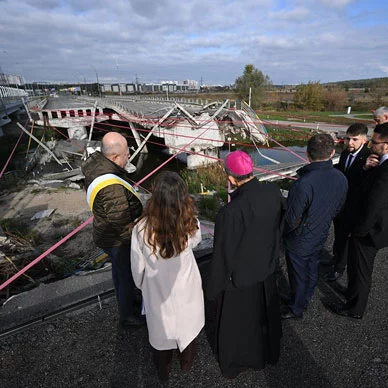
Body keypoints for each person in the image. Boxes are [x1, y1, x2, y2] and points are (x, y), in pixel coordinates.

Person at [206, 150, 283, 379]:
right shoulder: (273, 191)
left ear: (230, 179)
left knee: (239, 325)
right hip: (266, 268)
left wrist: (213, 288)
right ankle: (266, 354)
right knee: (263, 318)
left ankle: (239, 362)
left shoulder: (230, 212)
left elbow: (223, 254)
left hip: (239, 279)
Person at [131, 171, 204, 381]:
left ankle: (163, 370)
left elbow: (137, 264)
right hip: (186, 283)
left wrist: (141, 285)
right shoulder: (190, 222)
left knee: (161, 333)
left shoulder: (141, 228)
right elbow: (196, 241)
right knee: (188, 327)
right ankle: (186, 363)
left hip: (157, 286)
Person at [282, 134, 348, 319]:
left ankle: (296, 307)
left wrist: (287, 233)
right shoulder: (341, 177)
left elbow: (292, 219)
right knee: (312, 269)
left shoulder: (303, 183)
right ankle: (304, 299)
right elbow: (339, 206)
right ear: (332, 152)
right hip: (321, 231)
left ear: (307, 153)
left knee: (298, 274)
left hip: (300, 238)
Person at [82, 132, 144, 327]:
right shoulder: (111, 187)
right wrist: (135, 242)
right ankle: (128, 315)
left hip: (105, 232)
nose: (128, 158)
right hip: (117, 239)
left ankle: (128, 301)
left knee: (119, 273)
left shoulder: (97, 166)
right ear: (115, 157)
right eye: (127, 154)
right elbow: (119, 220)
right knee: (125, 275)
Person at [328, 123, 388, 319]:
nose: (371, 145)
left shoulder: (386, 170)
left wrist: (359, 230)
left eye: (375, 142)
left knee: (362, 270)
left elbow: (375, 204)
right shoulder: (380, 163)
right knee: (356, 266)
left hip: (370, 231)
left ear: (386, 145)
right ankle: (352, 293)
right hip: (366, 225)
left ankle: (355, 309)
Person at [326, 124, 370, 281]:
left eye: (354, 139)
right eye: (347, 138)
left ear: (364, 140)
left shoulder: (369, 158)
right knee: (338, 234)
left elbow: (365, 183)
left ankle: (339, 268)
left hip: (353, 207)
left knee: (345, 239)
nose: (349, 142)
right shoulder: (345, 153)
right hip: (340, 204)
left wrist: (363, 169)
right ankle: (335, 258)